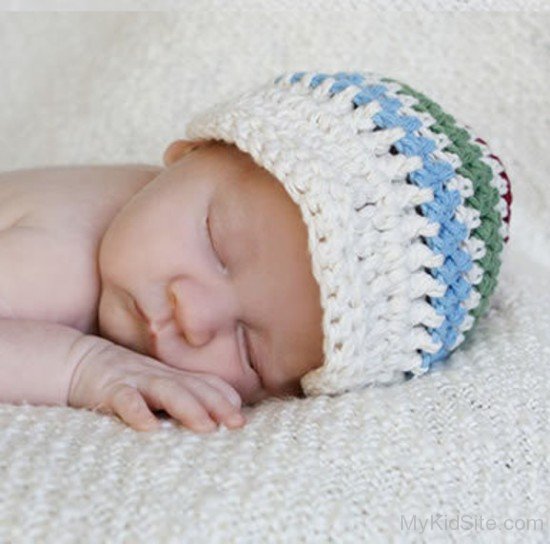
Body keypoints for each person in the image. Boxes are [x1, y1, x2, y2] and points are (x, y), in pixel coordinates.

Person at [0, 70, 512, 434]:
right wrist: (83, 367)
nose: (195, 316)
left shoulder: (164, 201)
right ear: (187, 153)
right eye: (216, 243)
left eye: (250, 352)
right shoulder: (61, 265)